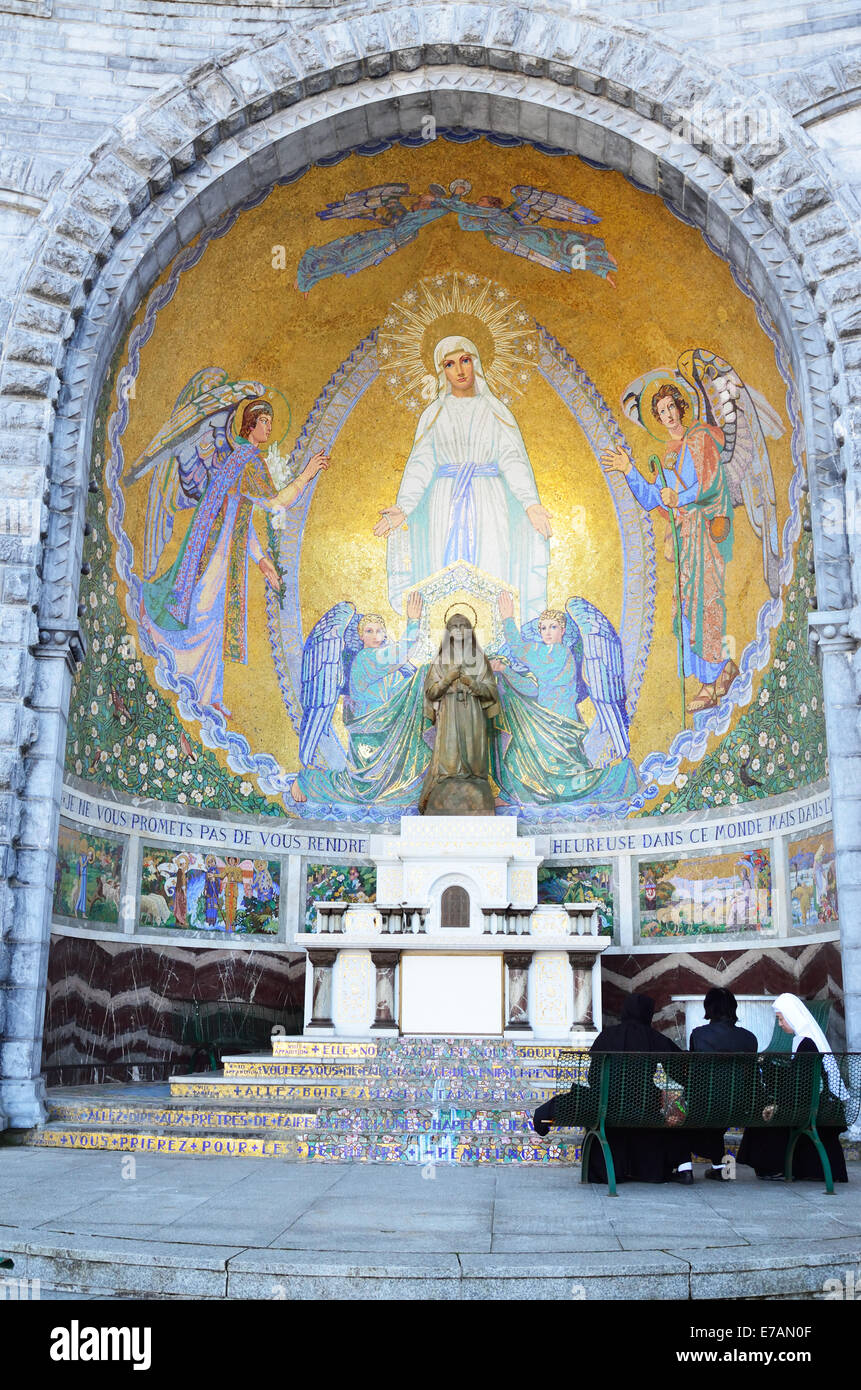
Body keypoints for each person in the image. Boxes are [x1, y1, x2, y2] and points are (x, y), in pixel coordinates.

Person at [141, 398, 329, 718]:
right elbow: (276, 503)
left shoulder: (239, 456)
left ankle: (207, 692)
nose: (269, 427)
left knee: (215, 617)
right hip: (215, 548)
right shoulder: (246, 457)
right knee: (201, 608)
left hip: (226, 547)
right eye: (264, 421)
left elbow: (240, 514)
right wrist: (307, 473)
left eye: (271, 422)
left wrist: (261, 561)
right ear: (250, 423)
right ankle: (160, 640)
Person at [374, 335, 552, 621]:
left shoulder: (495, 411)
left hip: (489, 501)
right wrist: (404, 507)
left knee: (492, 566)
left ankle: (493, 650)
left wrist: (530, 503)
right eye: (450, 364)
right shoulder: (434, 413)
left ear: (476, 364)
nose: (459, 370)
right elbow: (420, 463)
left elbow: (512, 459)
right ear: (441, 371)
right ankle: (446, 648)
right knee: (443, 572)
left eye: (465, 360)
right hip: (445, 503)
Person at [601, 383, 739, 714]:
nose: (667, 415)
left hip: (703, 533)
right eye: (661, 412)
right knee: (687, 610)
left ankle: (715, 677)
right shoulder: (668, 456)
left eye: (670, 407)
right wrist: (629, 470)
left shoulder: (700, 438)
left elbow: (709, 483)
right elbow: (653, 498)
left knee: (705, 603)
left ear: (681, 407)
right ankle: (714, 674)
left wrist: (681, 498)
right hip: (681, 541)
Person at [533, 993, 690, 1185]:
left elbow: (592, 1076)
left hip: (606, 1108)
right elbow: (680, 1071)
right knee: (673, 1107)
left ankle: (544, 1116)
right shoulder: (657, 1039)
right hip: (644, 1109)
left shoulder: (607, 1036)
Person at [736, 993, 849, 1183]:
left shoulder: (806, 1042)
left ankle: (772, 1169)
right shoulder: (805, 1039)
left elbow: (801, 1083)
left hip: (812, 1107)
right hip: (816, 1103)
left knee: (764, 1114)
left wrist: (771, 1074)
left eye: (781, 1019)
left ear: (792, 1017)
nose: (779, 1024)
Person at [674, 987, 759, 1182]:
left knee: (682, 1115)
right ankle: (723, 1168)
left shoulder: (699, 1035)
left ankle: (684, 1168)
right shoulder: (749, 1038)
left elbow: (694, 1075)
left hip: (703, 1104)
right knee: (717, 1116)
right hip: (739, 1107)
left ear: (709, 1008)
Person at [419, 611, 500, 816]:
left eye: (464, 626)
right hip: (449, 712)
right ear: (448, 632)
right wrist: (448, 678)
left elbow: (491, 690)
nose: (459, 630)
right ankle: (447, 782)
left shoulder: (479, 659)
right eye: (454, 626)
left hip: (473, 711)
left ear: (470, 630)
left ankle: (474, 781)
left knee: (474, 754)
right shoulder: (440, 659)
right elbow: (431, 692)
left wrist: (471, 683)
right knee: (449, 752)